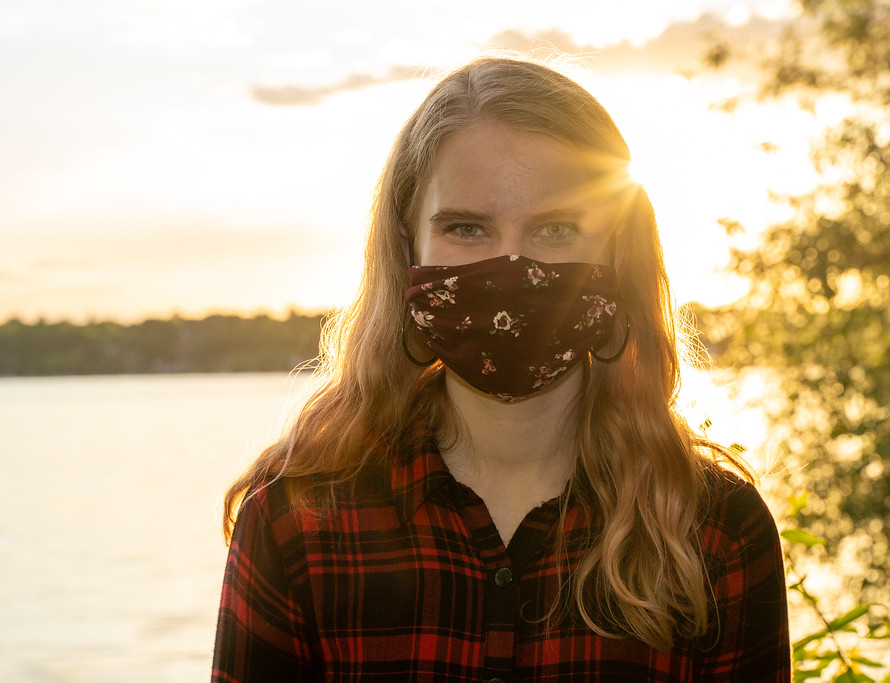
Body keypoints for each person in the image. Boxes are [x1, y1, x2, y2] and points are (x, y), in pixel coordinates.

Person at [212, 57, 790, 681]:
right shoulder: (297, 521)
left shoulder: (714, 530)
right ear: (408, 248)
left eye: (557, 229)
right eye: (467, 228)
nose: (510, 267)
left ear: (617, 253)